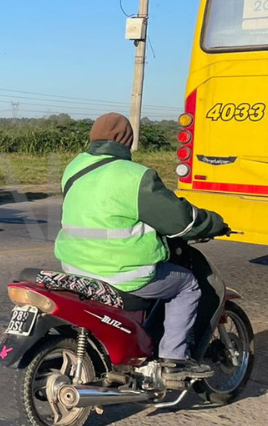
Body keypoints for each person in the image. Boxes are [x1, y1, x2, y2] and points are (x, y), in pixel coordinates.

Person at [55, 113, 229, 380]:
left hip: (75, 266)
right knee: (187, 285)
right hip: (123, 272)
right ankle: (174, 361)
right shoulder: (136, 177)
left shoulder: (74, 167)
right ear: (128, 139)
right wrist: (214, 223)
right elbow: (180, 220)